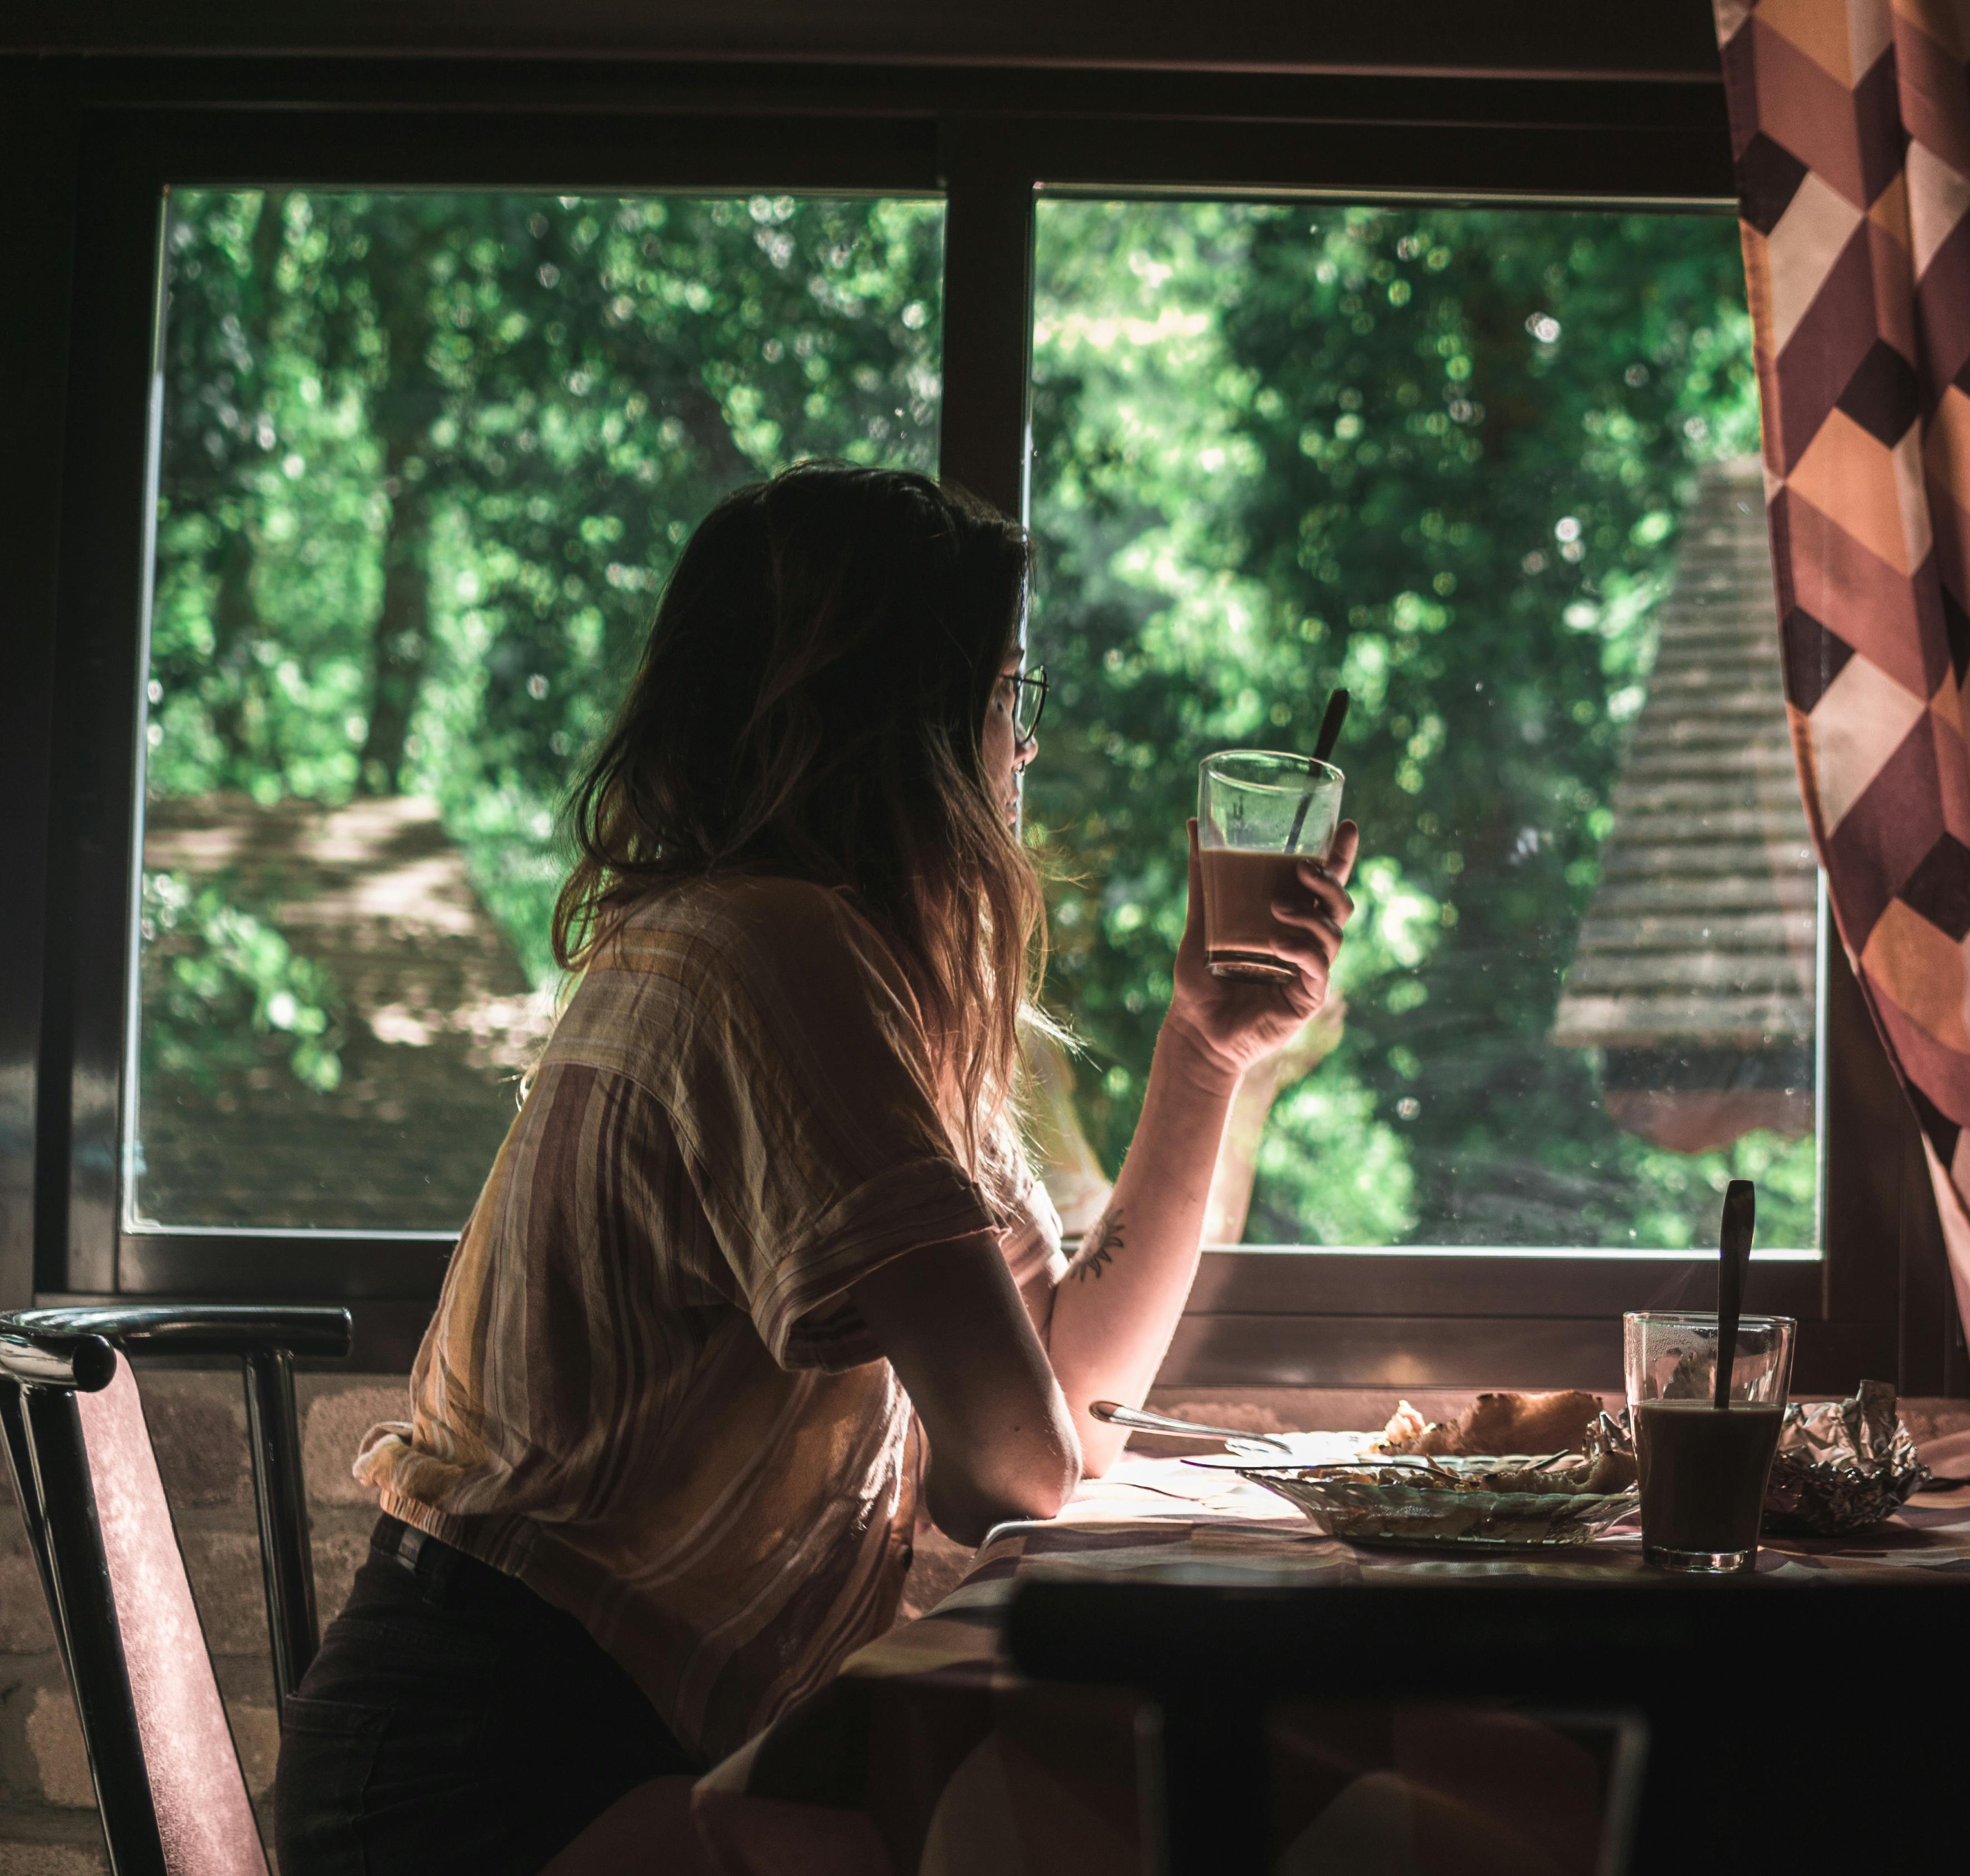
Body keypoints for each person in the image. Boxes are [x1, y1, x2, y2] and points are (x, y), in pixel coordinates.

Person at [271, 462, 1354, 1874]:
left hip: (574, 1748)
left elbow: (1068, 1415)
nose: (1022, 752)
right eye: (1008, 697)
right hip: (487, 1786)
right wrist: (1016, 1436)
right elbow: (1021, 1462)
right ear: (905, 722)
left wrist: (1204, 1054)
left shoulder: (831, 974)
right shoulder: (768, 959)